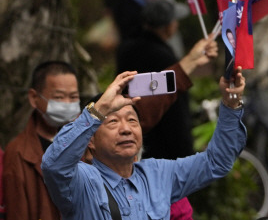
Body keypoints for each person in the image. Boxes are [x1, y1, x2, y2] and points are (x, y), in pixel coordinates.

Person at [41, 69, 245, 220]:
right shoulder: (82, 182)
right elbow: (54, 165)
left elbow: (216, 162)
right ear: (91, 140)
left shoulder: (158, 173)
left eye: (132, 120)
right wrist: (100, 107)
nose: (126, 129)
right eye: (112, 122)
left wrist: (231, 101)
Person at [116, 0, 219, 219]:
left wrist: (190, 61)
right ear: (167, 26)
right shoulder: (161, 55)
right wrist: (183, 151)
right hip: (162, 149)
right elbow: (164, 104)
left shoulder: (127, 48)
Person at [2, 61, 81, 220]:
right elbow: (18, 212)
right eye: (58, 97)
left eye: (73, 97)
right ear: (34, 98)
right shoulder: (19, 153)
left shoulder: (85, 143)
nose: (67, 104)